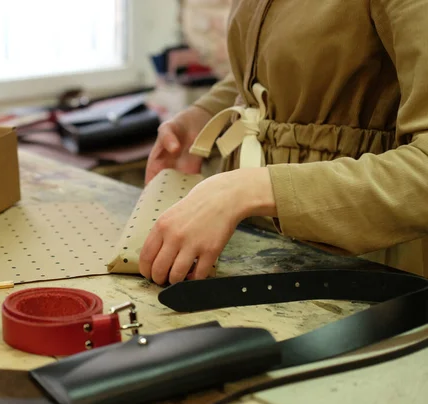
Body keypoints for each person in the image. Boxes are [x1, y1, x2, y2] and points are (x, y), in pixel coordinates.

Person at [139, 0, 428, 285]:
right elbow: (279, 63)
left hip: (369, 268)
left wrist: (247, 191)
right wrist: (201, 116)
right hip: (266, 250)